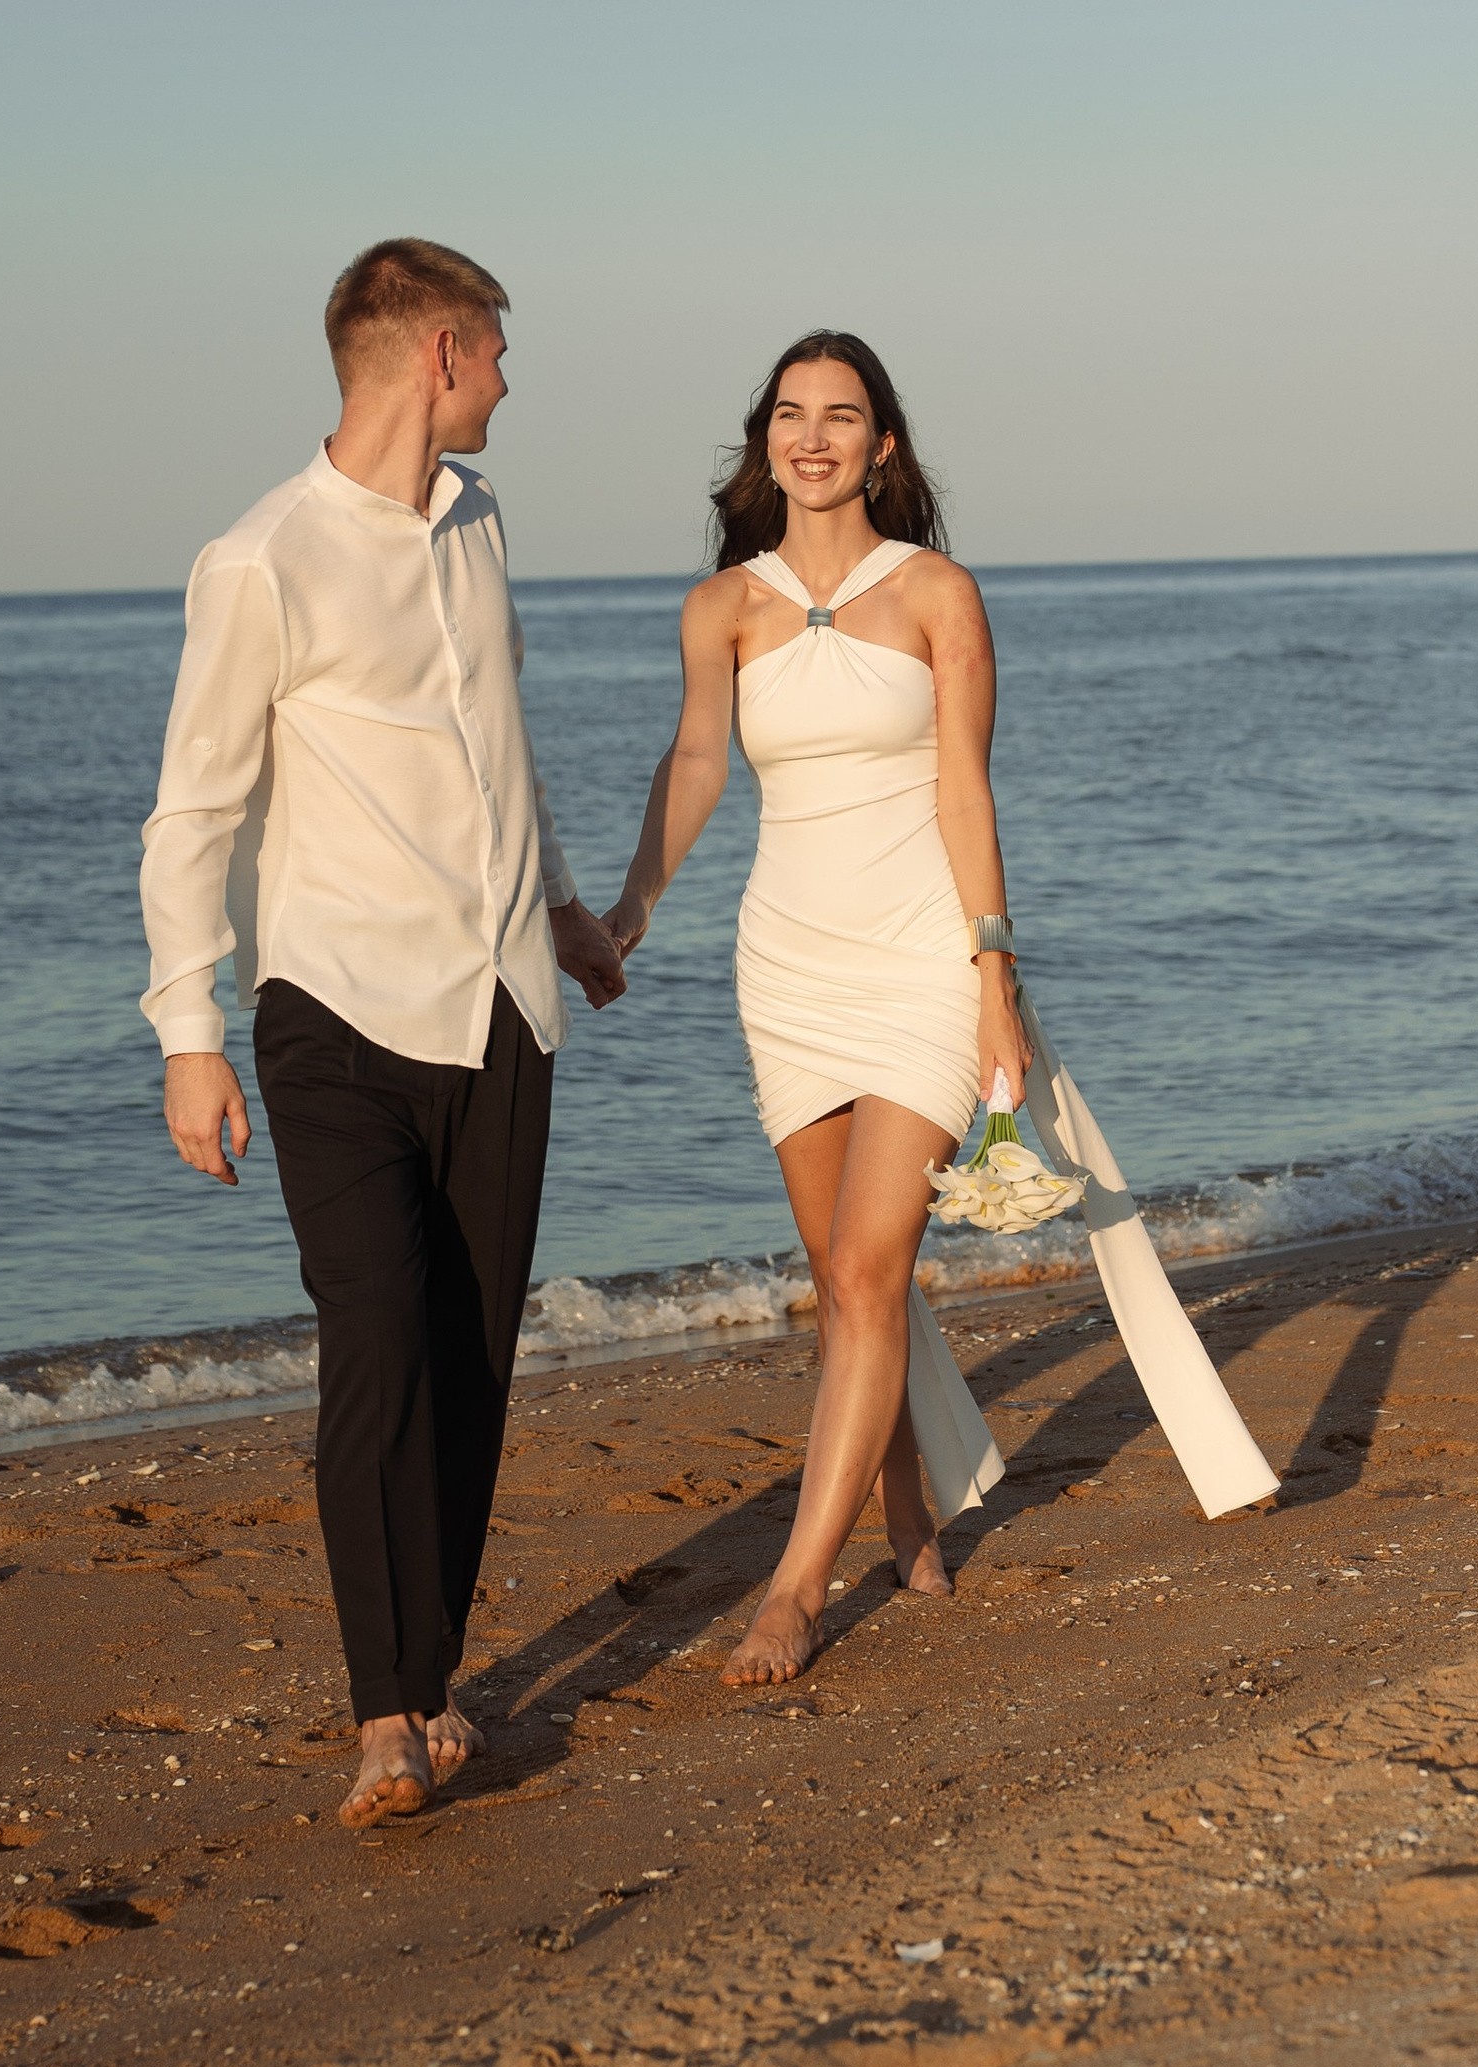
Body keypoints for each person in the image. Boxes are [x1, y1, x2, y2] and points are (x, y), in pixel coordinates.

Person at [138, 237, 626, 1820]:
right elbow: (191, 814)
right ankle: (376, 1721)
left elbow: (504, 745)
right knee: (378, 1342)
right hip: (333, 1013)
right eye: (495, 349)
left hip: (498, 1001)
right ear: (436, 355)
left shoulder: (480, 524)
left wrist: (555, 904)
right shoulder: (262, 557)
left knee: (472, 1355)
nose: (510, 379)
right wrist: (188, 1034)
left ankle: (432, 1680)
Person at [604, 330, 1019, 1685]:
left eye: (844, 416)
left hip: (917, 963)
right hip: (787, 966)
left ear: (883, 445)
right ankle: (904, 1502)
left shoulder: (938, 596)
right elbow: (697, 761)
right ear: (763, 438)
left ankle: (792, 1590)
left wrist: (993, 978)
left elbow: (965, 792)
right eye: (792, 414)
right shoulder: (724, 607)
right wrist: (629, 911)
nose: (816, 436)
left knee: (863, 1272)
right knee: (846, 1284)